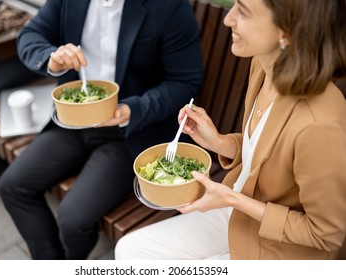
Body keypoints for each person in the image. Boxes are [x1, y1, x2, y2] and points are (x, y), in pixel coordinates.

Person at [115, 0, 346, 260]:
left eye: (243, 11)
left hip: (280, 248)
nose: (228, 19)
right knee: (129, 250)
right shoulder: (263, 65)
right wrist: (220, 143)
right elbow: (266, 153)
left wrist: (233, 200)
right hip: (238, 207)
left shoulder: (319, 123)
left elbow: (327, 234)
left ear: (287, 31)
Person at [0, 0, 203, 260]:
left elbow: (185, 82)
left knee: (72, 220)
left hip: (130, 133)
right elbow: (30, 35)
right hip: (74, 120)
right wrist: (52, 58)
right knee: (12, 186)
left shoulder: (169, 6)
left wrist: (132, 110)